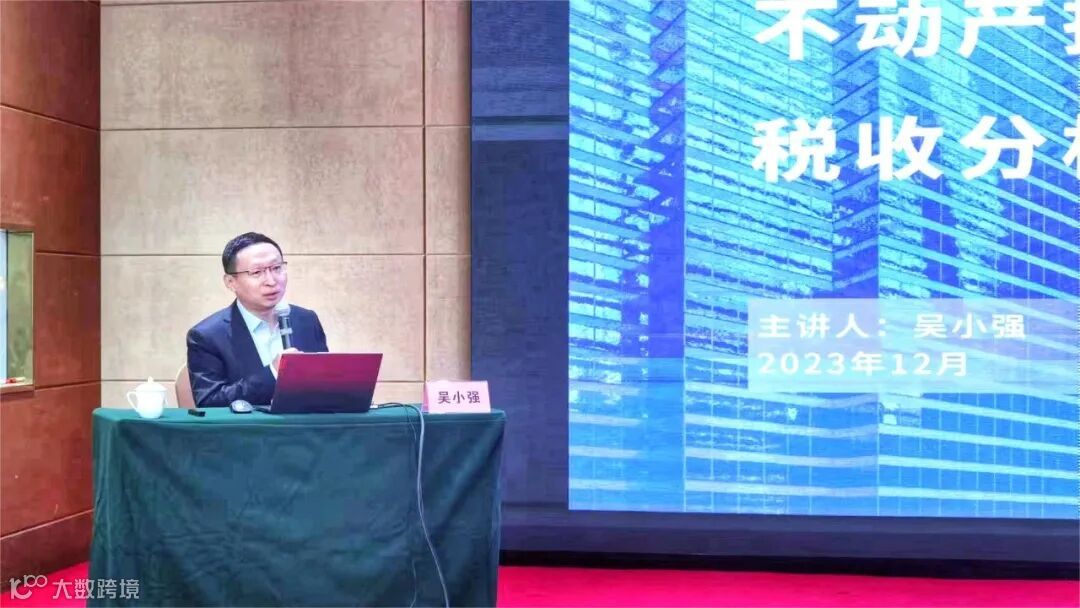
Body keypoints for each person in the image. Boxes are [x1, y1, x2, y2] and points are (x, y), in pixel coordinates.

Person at [186, 232, 328, 407]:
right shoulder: (207, 336)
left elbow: (326, 385)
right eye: (257, 272)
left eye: (276, 268)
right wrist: (273, 372)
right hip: (247, 425)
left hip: (306, 424)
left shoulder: (307, 321)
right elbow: (210, 402)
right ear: (230, 282)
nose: (271, 281)